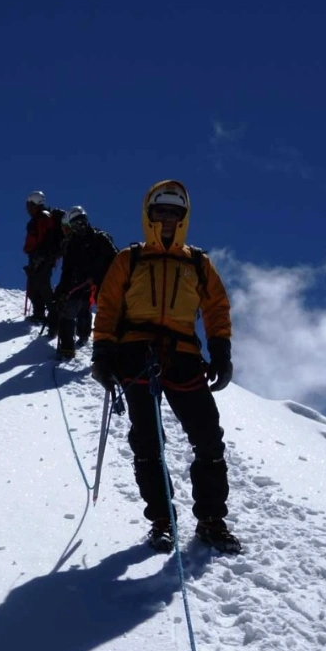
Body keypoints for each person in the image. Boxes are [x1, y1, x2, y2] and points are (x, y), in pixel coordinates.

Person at [89, 180, 240, 555]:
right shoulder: (129, 259)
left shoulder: (198, 262)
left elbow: (216, 307)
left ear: (184, 218)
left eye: (176, 212)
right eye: (162, 211)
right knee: (148, 442)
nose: (168, 218)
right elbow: (108, 307)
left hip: (184, 355)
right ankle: (162, 520)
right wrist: (102, 353)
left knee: (208, 439)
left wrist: (220, 349)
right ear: (149, 214)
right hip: (136, 354)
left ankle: (210, 520)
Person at [51, 206, 117, 357]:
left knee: (96, 312)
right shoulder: (72, 245)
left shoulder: (100, 238)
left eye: (82, 222)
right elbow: (66, 271)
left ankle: (89, 339)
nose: (80, 226)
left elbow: (116, 260)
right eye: (76, 224)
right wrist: (61, 292)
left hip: (101, 281)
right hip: (78, 282)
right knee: (70, 310)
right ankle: (67, 348)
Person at [22, 191, 65, 325]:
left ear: (36, 204)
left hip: (43, 257)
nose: (28, 208)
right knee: (35, 285)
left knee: (42, 285)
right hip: (38, 256)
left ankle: (53, 315)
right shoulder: (39, 219)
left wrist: (42, 255)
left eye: (30, 205)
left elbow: (46, 239)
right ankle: (40, 314)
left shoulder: (43, 218)